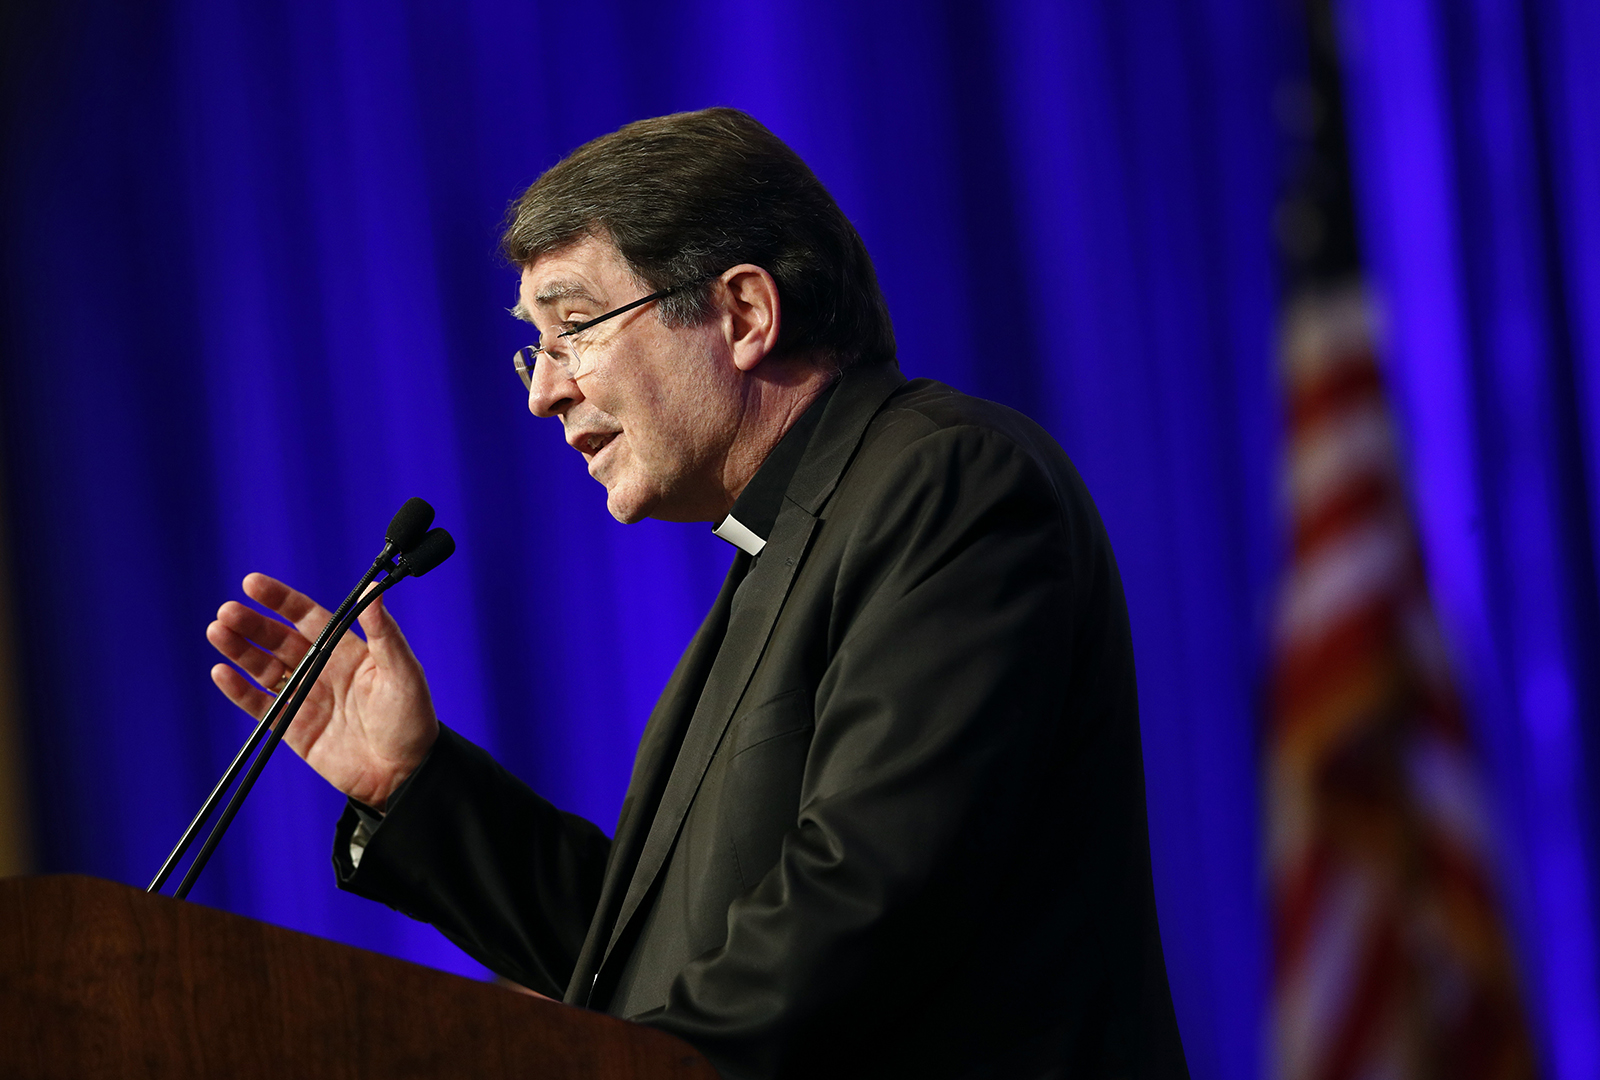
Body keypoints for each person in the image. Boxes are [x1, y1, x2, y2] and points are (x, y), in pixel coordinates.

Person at [206, 108, 1189, 1079]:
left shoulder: (947, 484)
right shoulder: (781, 549)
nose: (543, 390)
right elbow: (652, 965)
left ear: (744, 315)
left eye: (574, 326)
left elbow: (863, 900)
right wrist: (413, 786)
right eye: (534, 345)